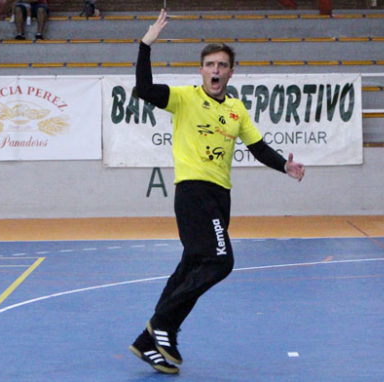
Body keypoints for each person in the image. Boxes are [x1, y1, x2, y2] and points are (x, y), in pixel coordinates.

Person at [128, 9, 305, 374]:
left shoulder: (237, 110)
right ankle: (162, 324)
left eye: (223, 65)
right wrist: (146, 44)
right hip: (193, 192)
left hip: (220, 197)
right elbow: (144, 89)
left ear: (230, 72)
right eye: (210, 64)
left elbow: (258, 147)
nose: (216, 70)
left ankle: (150, 342)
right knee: (221, 261)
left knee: (191, 268)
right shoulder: (185, 98)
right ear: (201, 70)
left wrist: (284, 166)